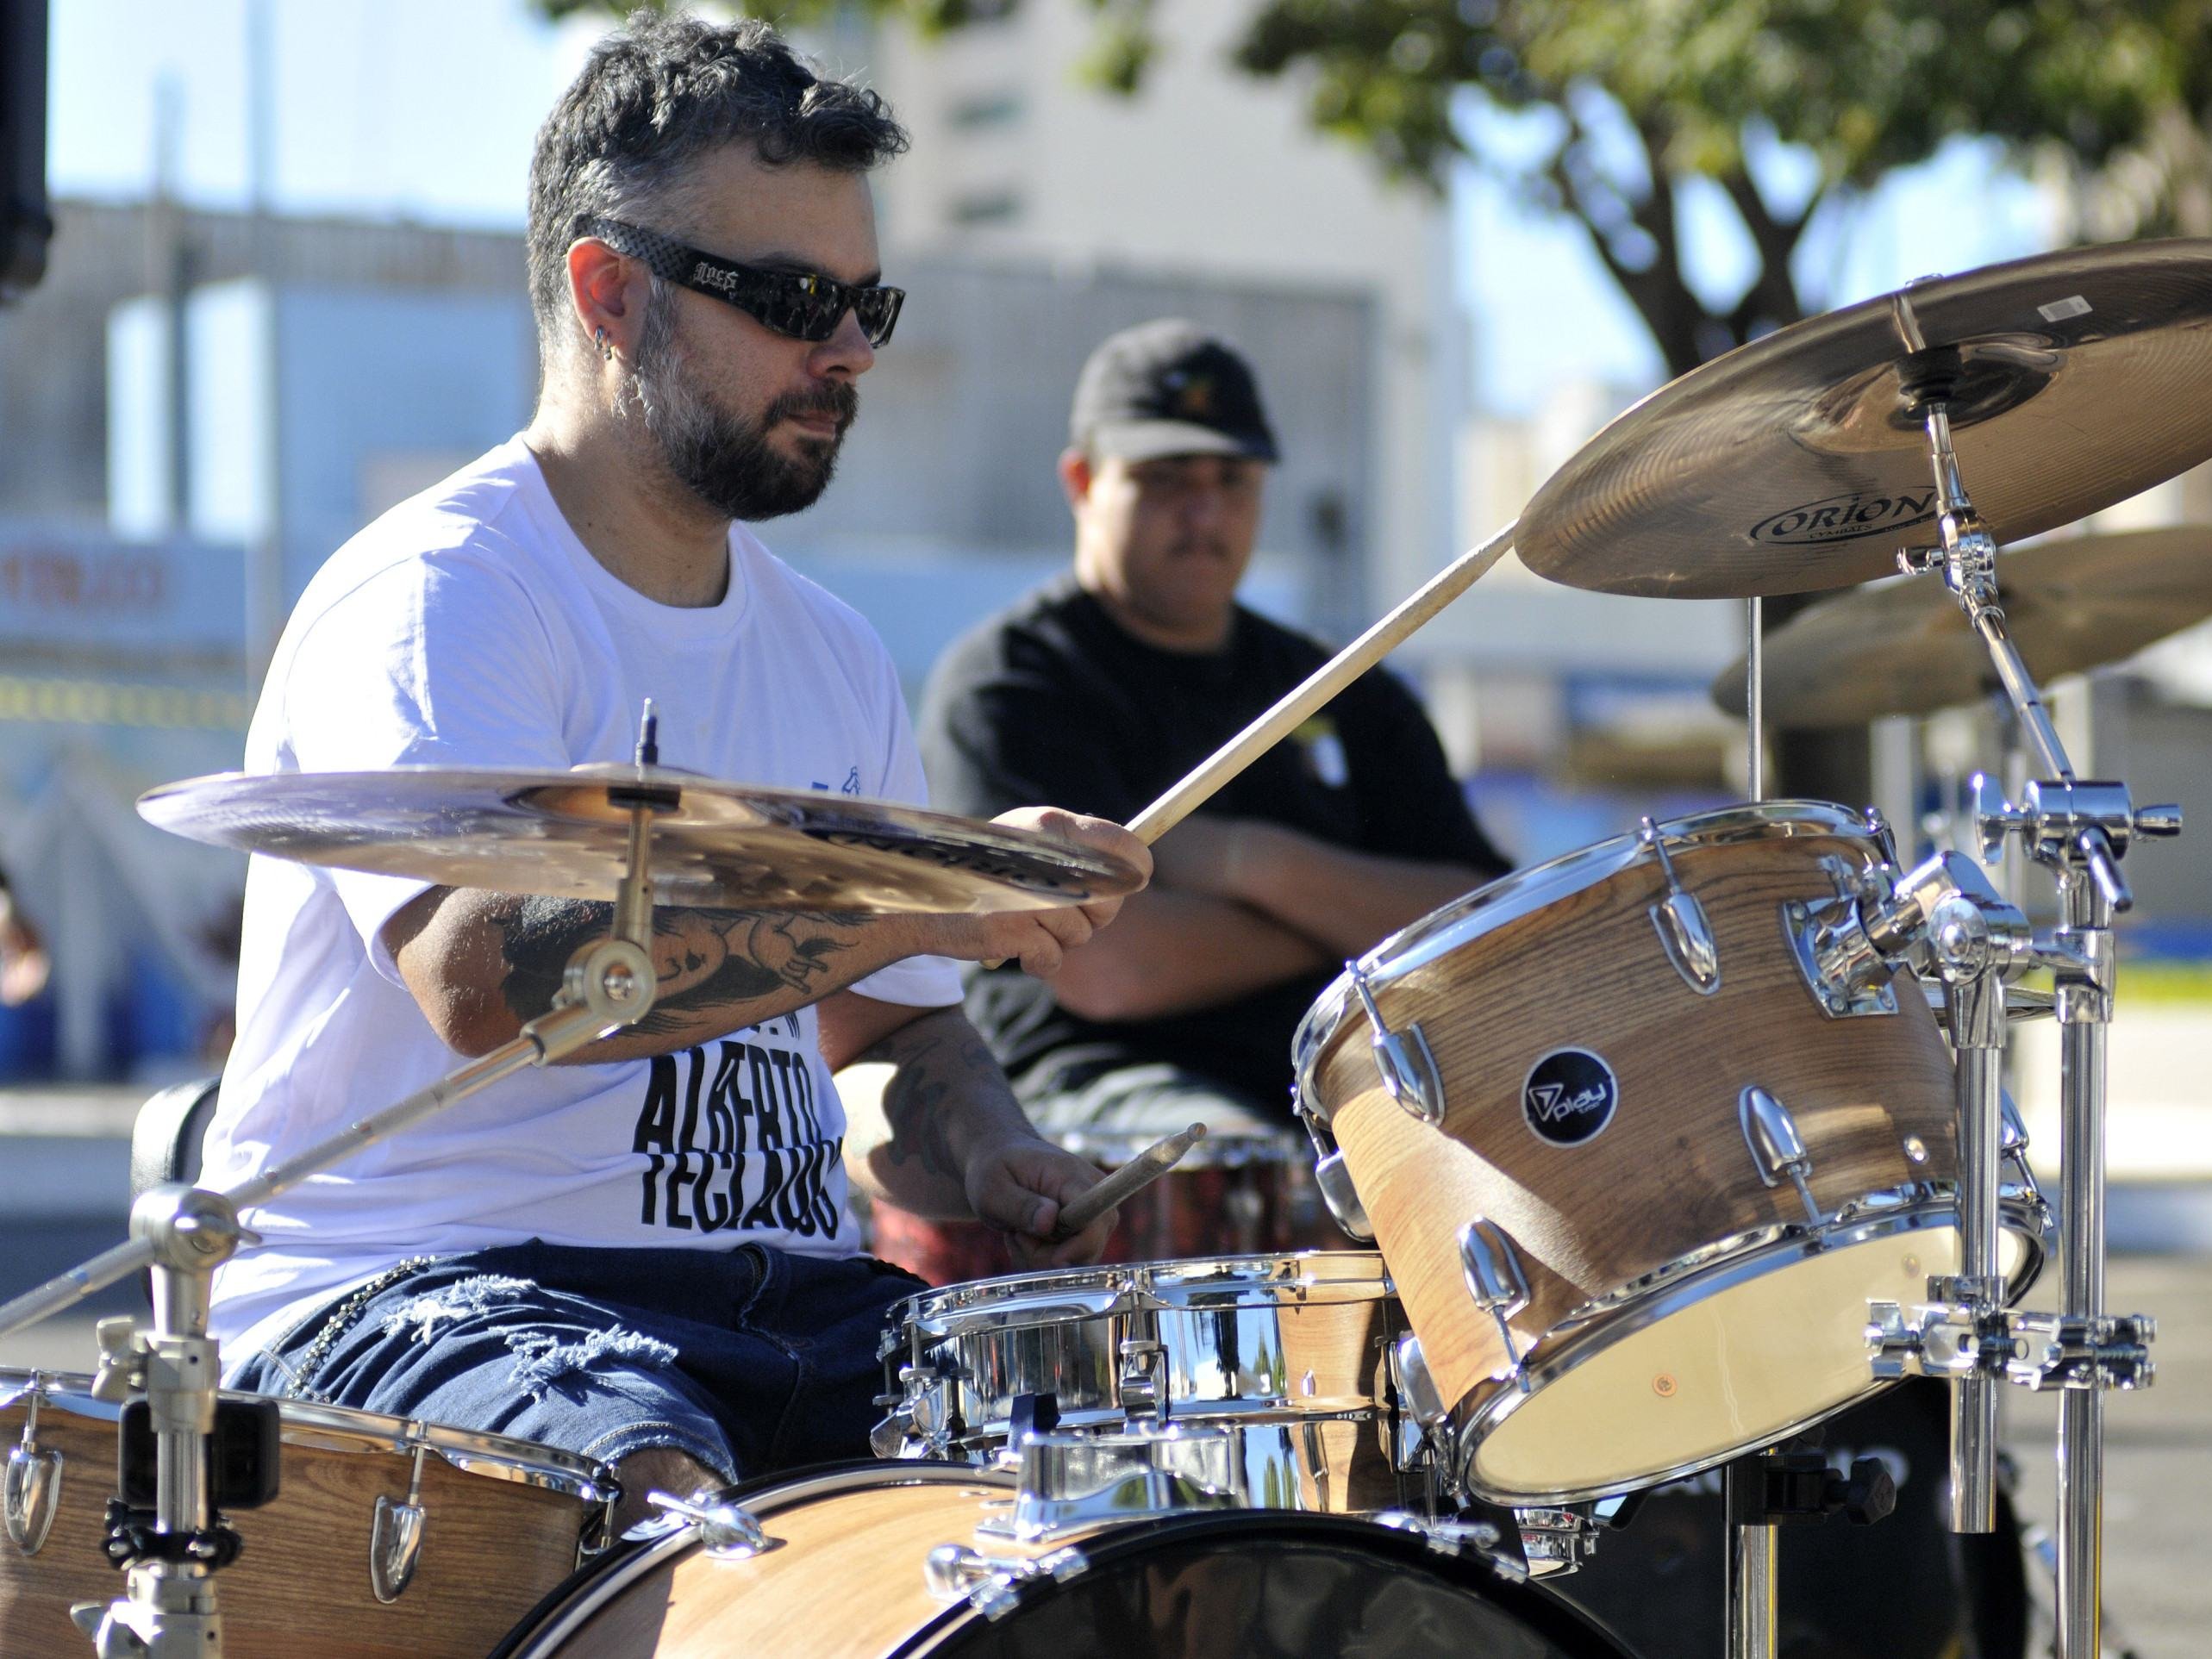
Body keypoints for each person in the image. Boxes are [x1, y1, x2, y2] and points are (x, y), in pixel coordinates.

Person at [203, 14, 1144, 1525]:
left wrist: (994, 1148)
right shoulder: (445, 595)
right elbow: (489, 984)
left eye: (863, 301)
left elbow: (892, 1049)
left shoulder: (828, 652)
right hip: (431, 1289)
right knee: (662, 1498)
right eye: (788, 300)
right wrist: (923, 889)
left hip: (795, 1301)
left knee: (1103, 1502)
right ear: (609, 292)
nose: (843, 350)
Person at [920, 320, 1507, 1144]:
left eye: (1232, 477)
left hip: (1348, 1081)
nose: (1204, 510)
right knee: (1233, 1149)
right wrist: (1358, 931)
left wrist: (1252, 861)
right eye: (1165, 477)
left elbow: (1479, 923)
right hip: (1095, 1101)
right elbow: (1107, 969)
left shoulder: (1336, 687)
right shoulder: (1009, 685)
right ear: (1082, 481)